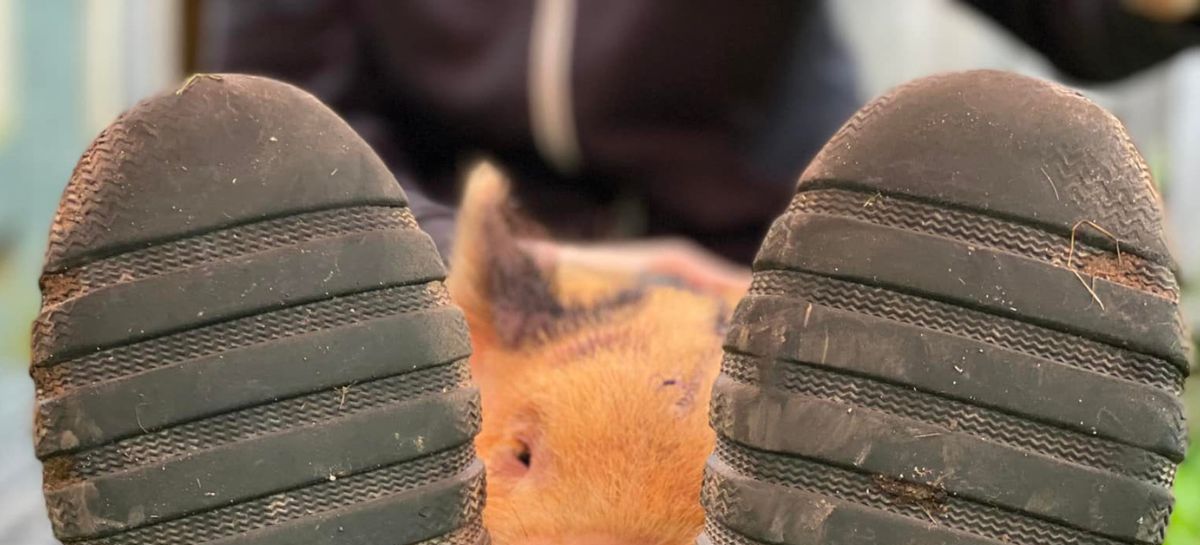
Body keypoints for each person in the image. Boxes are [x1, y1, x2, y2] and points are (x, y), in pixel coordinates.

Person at [199, 0, 1200, 281]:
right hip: (448, 276)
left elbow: (1102, 24)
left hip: (758, 276)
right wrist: (512, 272)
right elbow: (283, 138)